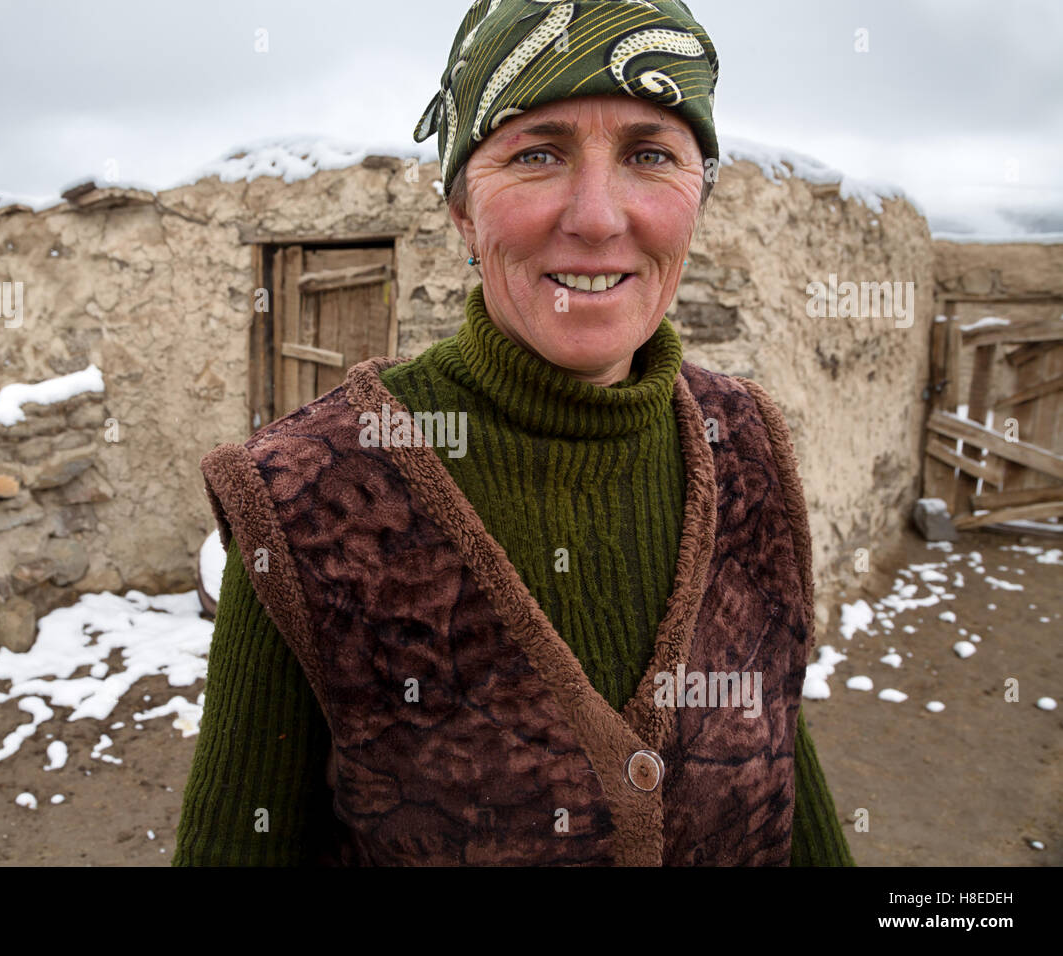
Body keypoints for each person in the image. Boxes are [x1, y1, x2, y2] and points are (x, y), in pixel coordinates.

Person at [174, 0, 854, 866]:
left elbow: (781, 759)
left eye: (652, 154)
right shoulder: (307, 498)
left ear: (701, 198)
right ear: (461, 210)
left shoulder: (748, 447)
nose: (600, 218)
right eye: (537, 153)